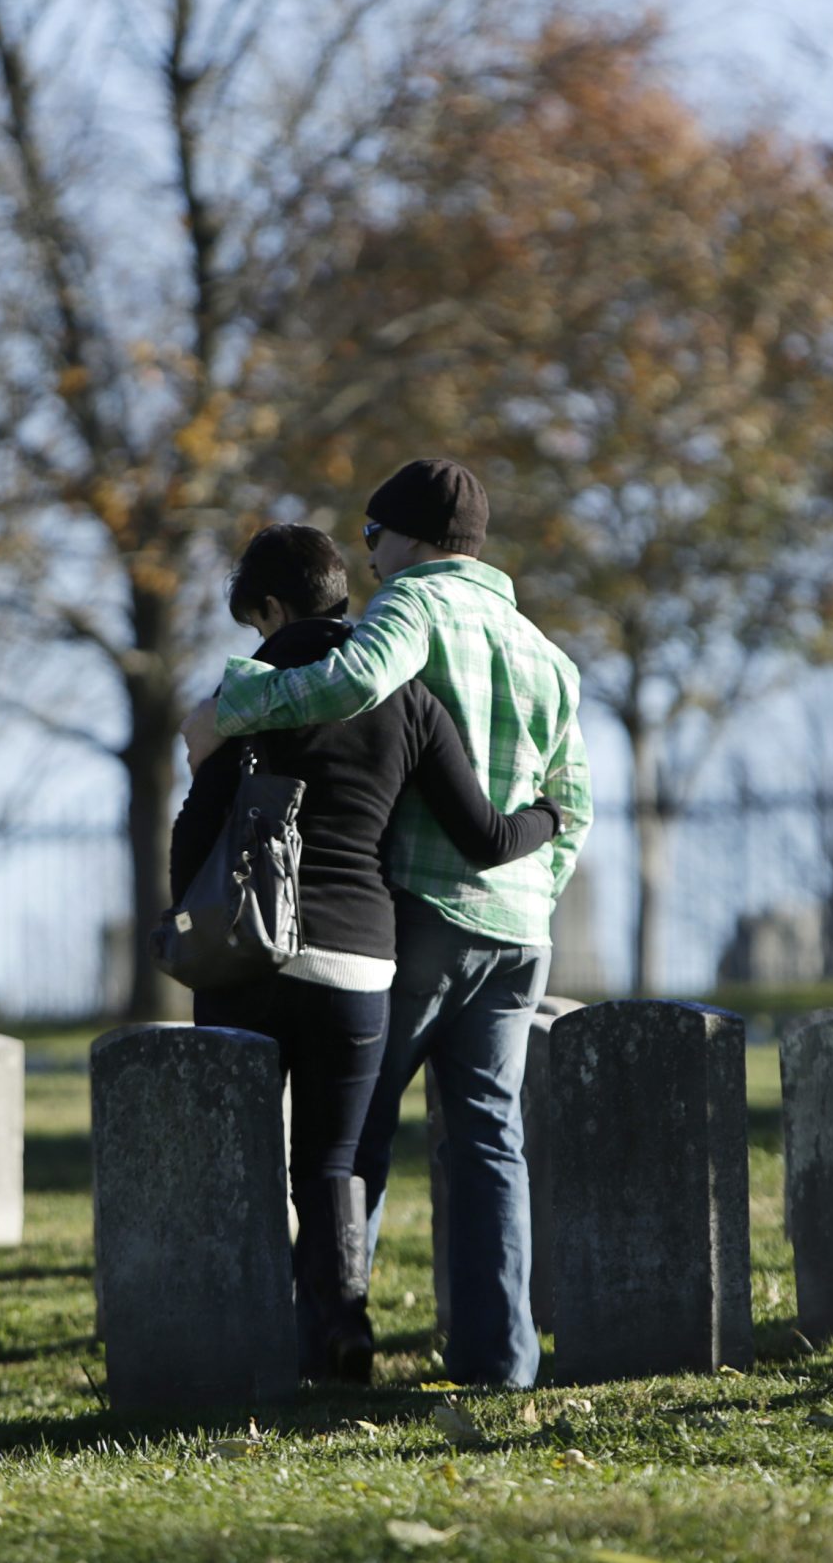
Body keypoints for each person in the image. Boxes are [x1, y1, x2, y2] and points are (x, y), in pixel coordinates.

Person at [183, 458, 589, 1389]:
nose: (369, 562)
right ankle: (502, 1364)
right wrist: (535, 895)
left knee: (351, 1139)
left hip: (420, 911)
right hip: (520, 925)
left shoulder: (413, 608)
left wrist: (232, 706)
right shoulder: (547, 653)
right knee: (490, 1141)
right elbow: (573, 805)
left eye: (372, 539)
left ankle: (327, 1347)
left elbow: (358, 680)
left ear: (405, 538)